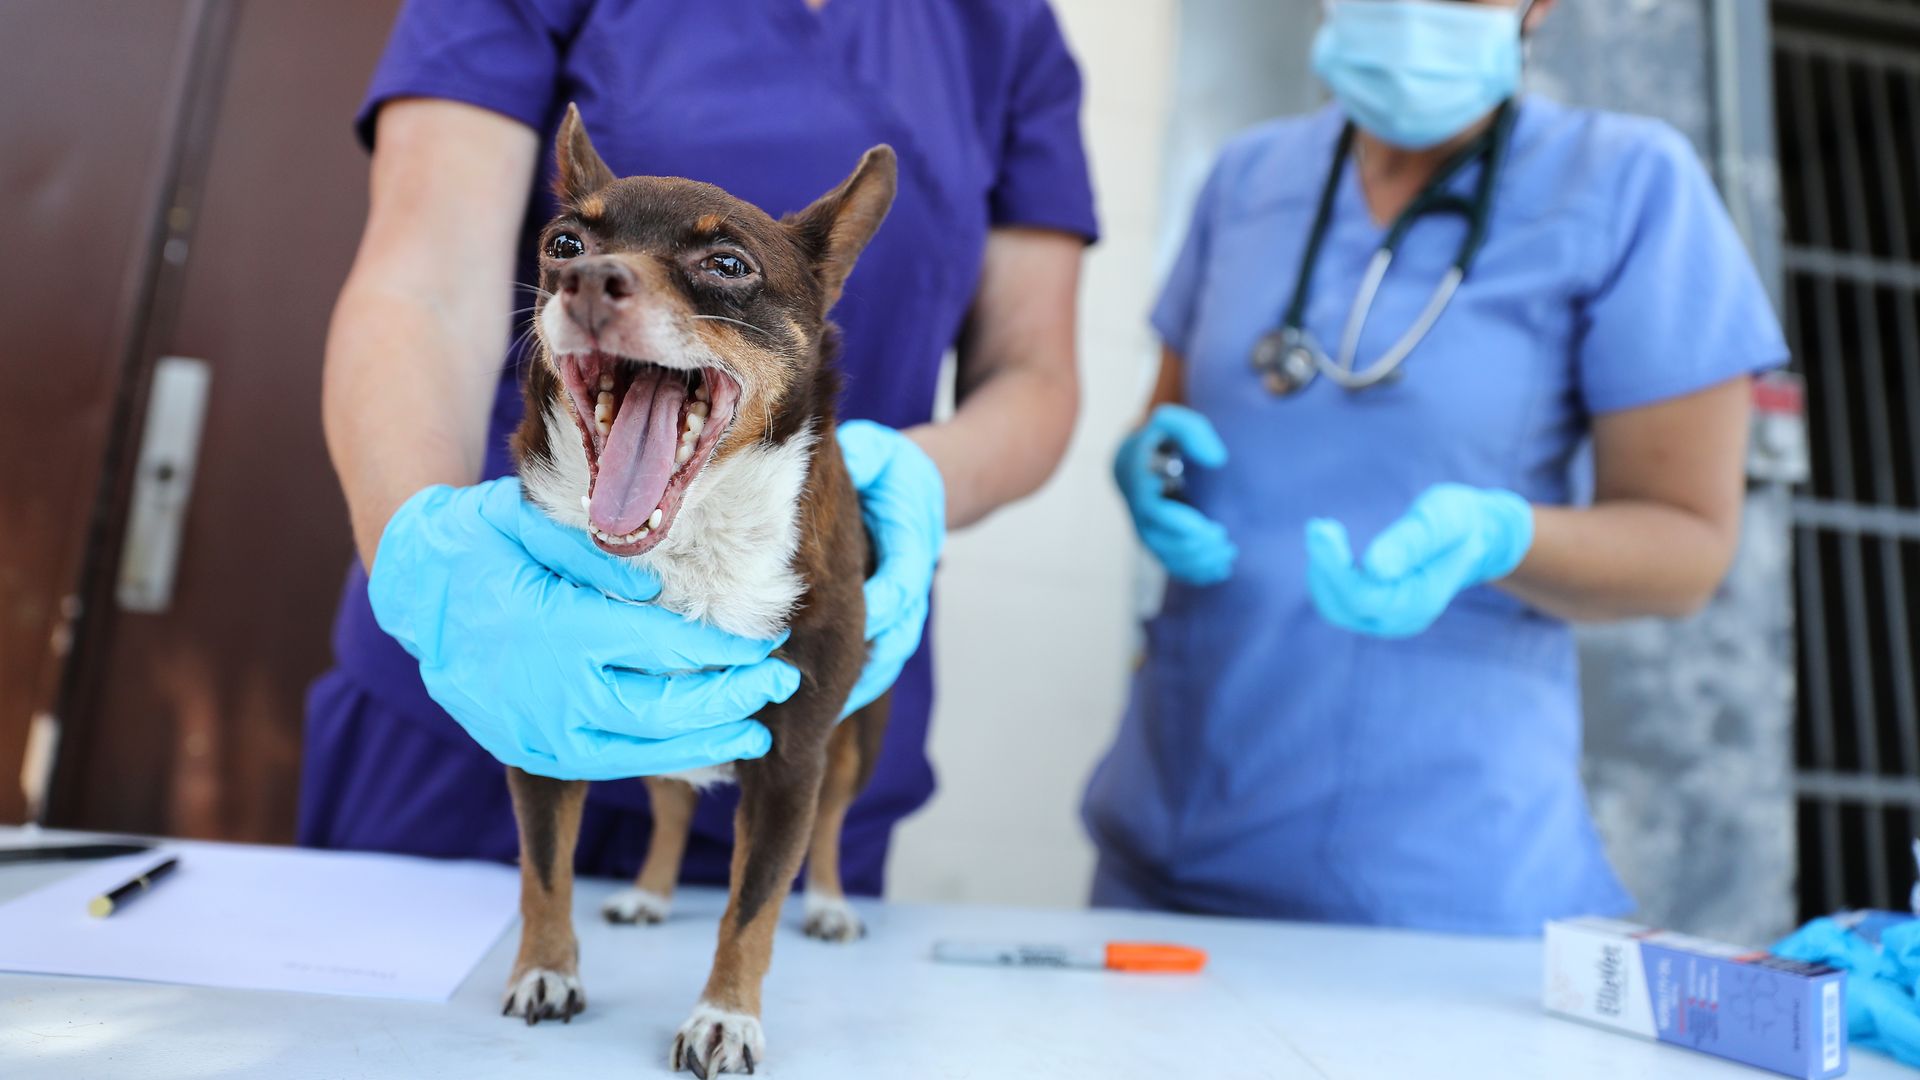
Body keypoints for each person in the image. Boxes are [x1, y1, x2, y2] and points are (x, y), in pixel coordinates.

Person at [306, 0, 1097, 898]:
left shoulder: (1001, 27)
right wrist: (421, 563)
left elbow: (1035, 373)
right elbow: (423, 289)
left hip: (791, 703)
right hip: (487, 697)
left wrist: (914, 481)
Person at [1088, 0, 1786, 933]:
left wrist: (1504, 537)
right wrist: (1146, 470)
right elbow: (1169, 420)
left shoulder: (1625, 184)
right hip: (1168, 840)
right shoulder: (1249, 178)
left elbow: (1688, 546)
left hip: (1438, 878)